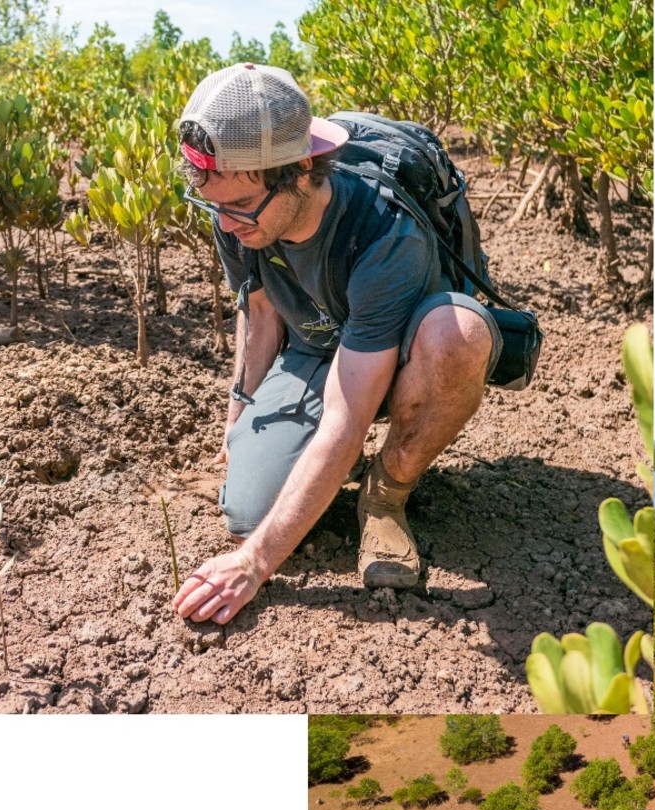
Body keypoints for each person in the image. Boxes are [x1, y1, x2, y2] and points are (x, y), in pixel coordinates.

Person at [169, 63, 503, 625]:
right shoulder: (235, 207)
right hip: (317, 350)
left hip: (402, 354)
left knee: (458, 336)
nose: (226, 226)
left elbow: (347, 418)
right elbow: (260, 314)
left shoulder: (383, 232)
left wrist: (253, 565)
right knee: (248, 511)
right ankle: (317, 471)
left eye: (240, 207)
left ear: (301, 169)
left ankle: (387, 490)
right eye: (213, 206)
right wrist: (238, 422)